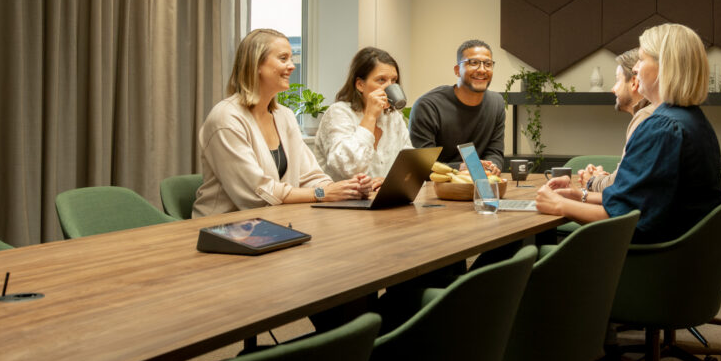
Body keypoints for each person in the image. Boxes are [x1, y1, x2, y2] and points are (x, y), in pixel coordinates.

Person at [535, 23, 721, 243]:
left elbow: (624, 220)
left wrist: (559, 205)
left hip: (649, 258)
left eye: (641, 59)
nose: (634, 68)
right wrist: (580, 195)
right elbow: (639, 201)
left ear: (664, 67)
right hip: (684, 255)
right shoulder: (693, 120)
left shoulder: (661, 128)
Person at [192, 29, 366, 218]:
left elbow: (310, 176)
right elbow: (257, 194)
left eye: (291, 58)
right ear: (256, 64)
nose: (291, 66)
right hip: (222, 226)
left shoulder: (285, 116)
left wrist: (347, 189)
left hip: (273, 220)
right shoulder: (226, 119)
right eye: (283, 59)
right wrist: (321, 193)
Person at [315, 47, 413, 183]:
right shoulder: (338, 113)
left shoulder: (393, 116)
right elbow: (349, 168)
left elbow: (408, 163)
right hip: (343, 195)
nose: (389, 86)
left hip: (382, 194)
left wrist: (388, 181)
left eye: (393, 80)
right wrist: (370, 116)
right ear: (360, 85)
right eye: (381, 80)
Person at [409, 39, 504, 174]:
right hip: (437, 184)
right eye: (473, 63)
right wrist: (461, 167)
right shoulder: (428, 106)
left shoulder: (496, 103)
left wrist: (491, 166)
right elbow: (423, 165)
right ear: (457, 70)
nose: (482, 70)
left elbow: (495, 152)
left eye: (488, 64)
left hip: (480, 182)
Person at [579, 48, 655, 192]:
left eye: (617, 80)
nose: (613, 89)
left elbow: (621, 184)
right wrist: (602, 178)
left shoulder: (646, 118)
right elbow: (627, 179)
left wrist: (591, 181)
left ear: (634, 82)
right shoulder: (653, 114)